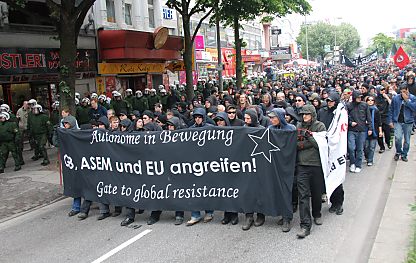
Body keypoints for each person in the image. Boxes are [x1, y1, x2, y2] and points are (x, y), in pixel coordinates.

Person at [295, 105, 326, 239]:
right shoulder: (298, 125)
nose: (304, 117)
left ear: (312, 115)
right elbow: (295, 143)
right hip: (302, 165)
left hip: (316, 165)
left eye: (307, 114)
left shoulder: (320, 126)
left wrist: (308, 136)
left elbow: (320, 144)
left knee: (316, 192)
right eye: (303, 114)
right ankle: (305, 225)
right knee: (303, 195)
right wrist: (306, 142)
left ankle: (317, 213)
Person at [267, 108, 296, 232]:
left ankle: (287, 218)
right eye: (270, 117)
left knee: (286, 191)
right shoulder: (270, 130)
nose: (271, 120)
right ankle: (282, 214)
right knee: (277, 191)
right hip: (274, 166)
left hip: (288, 166)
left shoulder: (291, 129)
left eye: (274, 117)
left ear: (281, 117)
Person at [186, 107, 214, 226]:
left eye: (199, 117)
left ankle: (209, 212)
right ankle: (195, 215)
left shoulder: (210, 128)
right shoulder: (190, 130)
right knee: (193, 190)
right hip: (194, 164)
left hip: (207, 164)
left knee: (206, 189)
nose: (197, 119)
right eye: (195, 117)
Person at [213, 112, 239, 226]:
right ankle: (226, 215)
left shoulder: (233, 131)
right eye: (217, 121)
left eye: (221, 120)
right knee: (223, 191)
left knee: (232, 190)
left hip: (231, 165)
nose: (219, 123)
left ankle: (234, 214)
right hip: (219, 166)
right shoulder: (213, 134)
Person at [242, 109, 266, 231]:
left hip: (259, 165)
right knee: (247, 191)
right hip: (246, 165)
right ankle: (249, 216)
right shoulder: (242, 129)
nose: (245, 121)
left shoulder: (261, 129)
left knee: (259, 191)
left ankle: (261, 215)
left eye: (248, 118)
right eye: (244, 118)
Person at [388, 85, 416, 162]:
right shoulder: (396, 98)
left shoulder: (413, 98)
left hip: (408, 122)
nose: (403, 93)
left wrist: (407, 100)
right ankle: (398, 152)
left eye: (404, 91)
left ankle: (404, 154)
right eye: (401, 92)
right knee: (398, 138)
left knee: (407, 140)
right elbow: (391, 109)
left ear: (407, 90)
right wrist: (390, 121)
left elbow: (414, 108)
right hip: (398, 121)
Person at [347, 90, 372, 173]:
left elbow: (369, 117)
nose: (359, 98)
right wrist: (350, 123)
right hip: (352, 130)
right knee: (351, 148)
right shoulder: (349, 106)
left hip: (362, 130)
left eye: (360, 97)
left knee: (360, 148)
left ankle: (358, 165)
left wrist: (370, 128)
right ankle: (352, 163)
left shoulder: (364, 105)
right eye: (358, 97)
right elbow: (345, 117)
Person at [364, 96, 382, 166]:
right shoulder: (363, 109)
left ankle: (370, 160)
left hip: (374, 130)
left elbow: (379, 122)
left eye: (372, 100)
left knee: (372, 147)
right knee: (365, 146)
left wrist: (380, 131)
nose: (370, 101)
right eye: (369, 100)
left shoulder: (376, 110)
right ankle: (367, 157)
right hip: (365, 130)